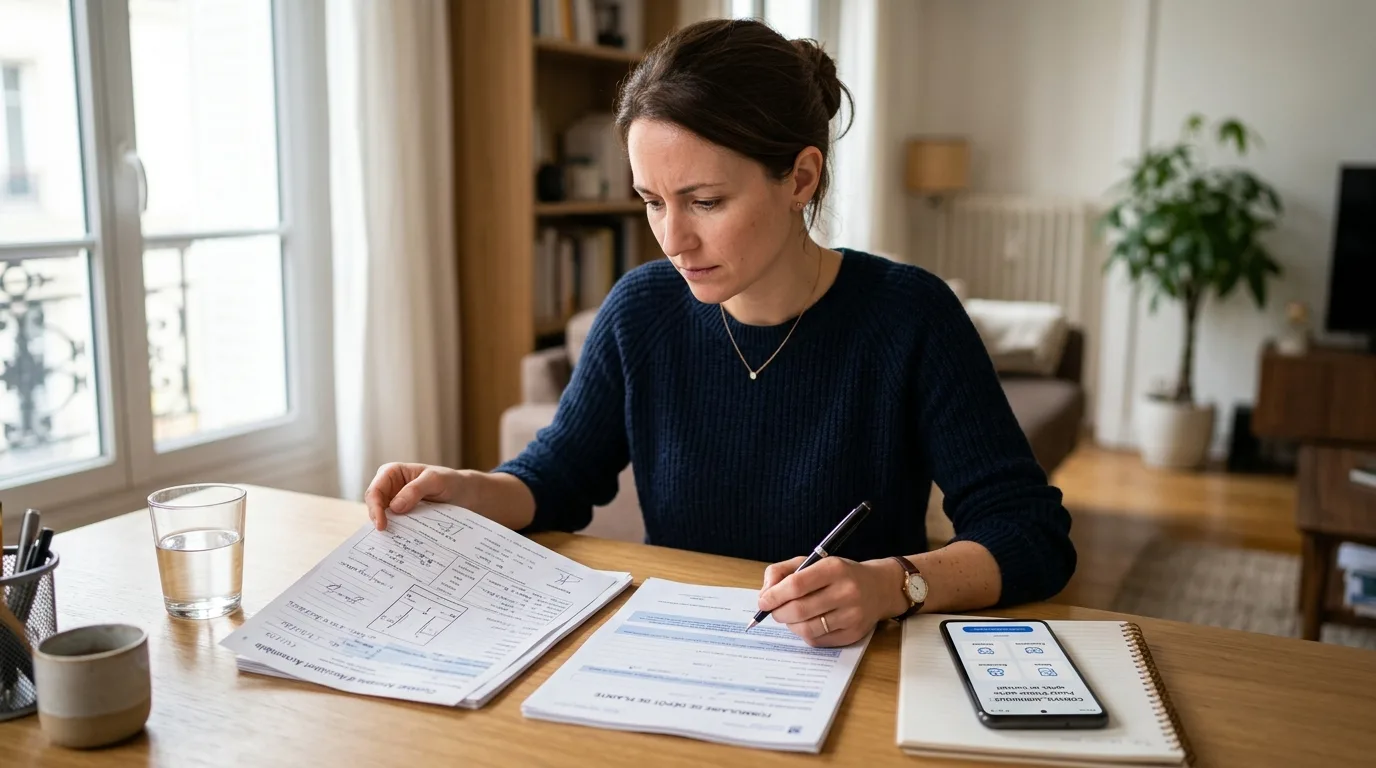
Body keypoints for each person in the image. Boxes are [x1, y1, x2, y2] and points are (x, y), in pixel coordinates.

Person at [364, 18, 1075, 648]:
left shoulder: (909, 316)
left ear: (800, 178)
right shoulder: (641, 309)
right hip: (685, 658)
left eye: (705, 201)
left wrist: (896, 584)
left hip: (858, 670)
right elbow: (556, 479)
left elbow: (1030, 532)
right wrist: (470, 489)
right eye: (651, 201)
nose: (673, 238)